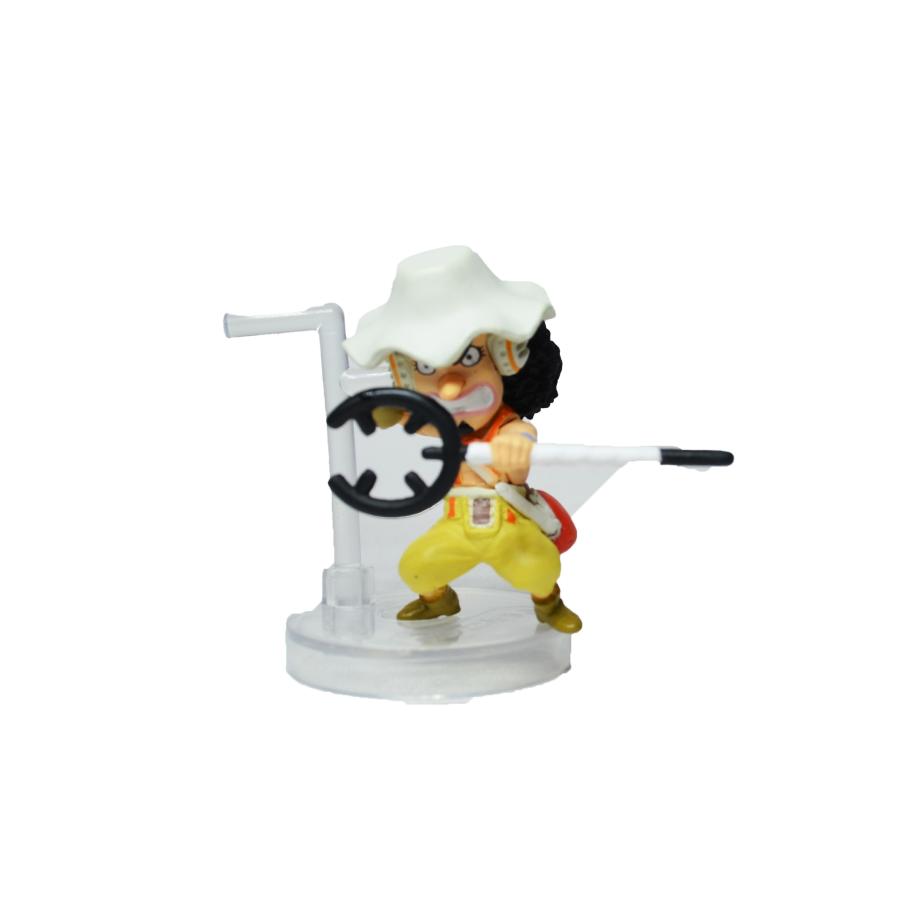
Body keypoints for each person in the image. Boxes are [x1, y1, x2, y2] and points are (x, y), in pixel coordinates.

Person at [343, 246, 581, 633]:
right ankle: (437, 600)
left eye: (470, 359)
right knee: (417, 567)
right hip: (457, 523)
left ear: (503, 358)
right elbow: (401, 417)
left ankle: (548, 603)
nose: (451, 387)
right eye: (426, 367)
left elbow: (520, 436)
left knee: (539, 568)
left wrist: (516, 447)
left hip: (508, 524)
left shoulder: (504, 426)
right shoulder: (435, 422)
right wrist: (385, 411)